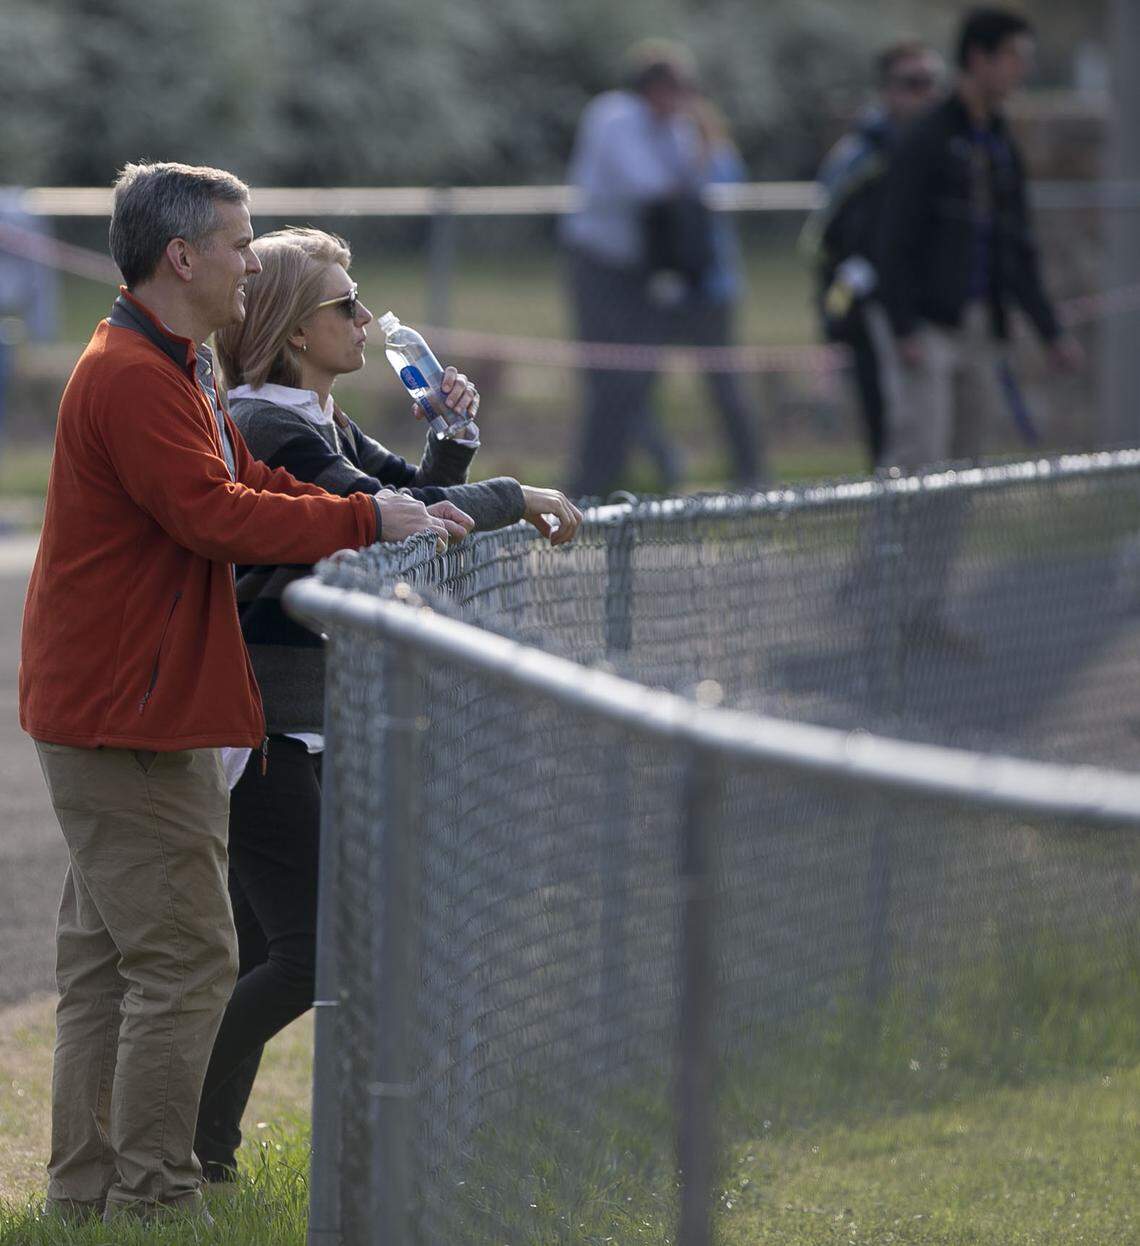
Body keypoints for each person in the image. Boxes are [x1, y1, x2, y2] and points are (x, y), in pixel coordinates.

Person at [18, 162, 466, 1225]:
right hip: (128, 712)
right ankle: (159, 1197)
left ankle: (87, 1192)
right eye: (238, 240)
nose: (249, 259)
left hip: (121, 700)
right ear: (183, 257)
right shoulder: (134, 373)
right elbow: (211, 516)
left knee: (109, 966)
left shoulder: (170, 364)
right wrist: (363, 518)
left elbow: (243, 486)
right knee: (186, 958)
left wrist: (368, 509)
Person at [192, 226, 582, 1187]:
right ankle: (172, 1129)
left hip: (304, 719)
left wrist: (450, 441)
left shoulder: (314, 416)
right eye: (343, 305)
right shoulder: (269, 424)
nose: (365, 318)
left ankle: (200, 1150)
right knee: (313, 954)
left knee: (256, 950)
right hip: (267, 725)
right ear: (292, 332)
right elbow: (381, 515)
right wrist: (519, 492)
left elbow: (408, 509)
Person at [873, 8, 1083, 644]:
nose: (1021, 70)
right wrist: (905, 325)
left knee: (959, 475)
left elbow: (1014, 249)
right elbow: (894, 237)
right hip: (927, 331)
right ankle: (882, 600)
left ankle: (925, 609)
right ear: (981, 59)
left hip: (977, 333)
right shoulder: (930, 139)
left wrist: (1050, 330)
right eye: (1013, 56)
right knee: (919, 463)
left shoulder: (998, 143)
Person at [560, 40, 706, 498]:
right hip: (598, 265)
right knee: (608, 377)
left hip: (641, 272)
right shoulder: (615, 116)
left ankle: (617, 476)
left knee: (638, 376)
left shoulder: (675, 128)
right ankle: (593, 482)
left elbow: (698, 177)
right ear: (652, 89)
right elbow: (649, 184)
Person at [801, 41, 944, 468]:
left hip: (932, 309)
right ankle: (888, 534)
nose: (924, 94)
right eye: (911, 83)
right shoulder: (859, 156)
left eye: (931, 83)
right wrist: (841, 301)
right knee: (889, 426)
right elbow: (822, 238)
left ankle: (930, 533)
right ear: (886, 89)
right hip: (873, 312)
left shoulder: (945, 147)